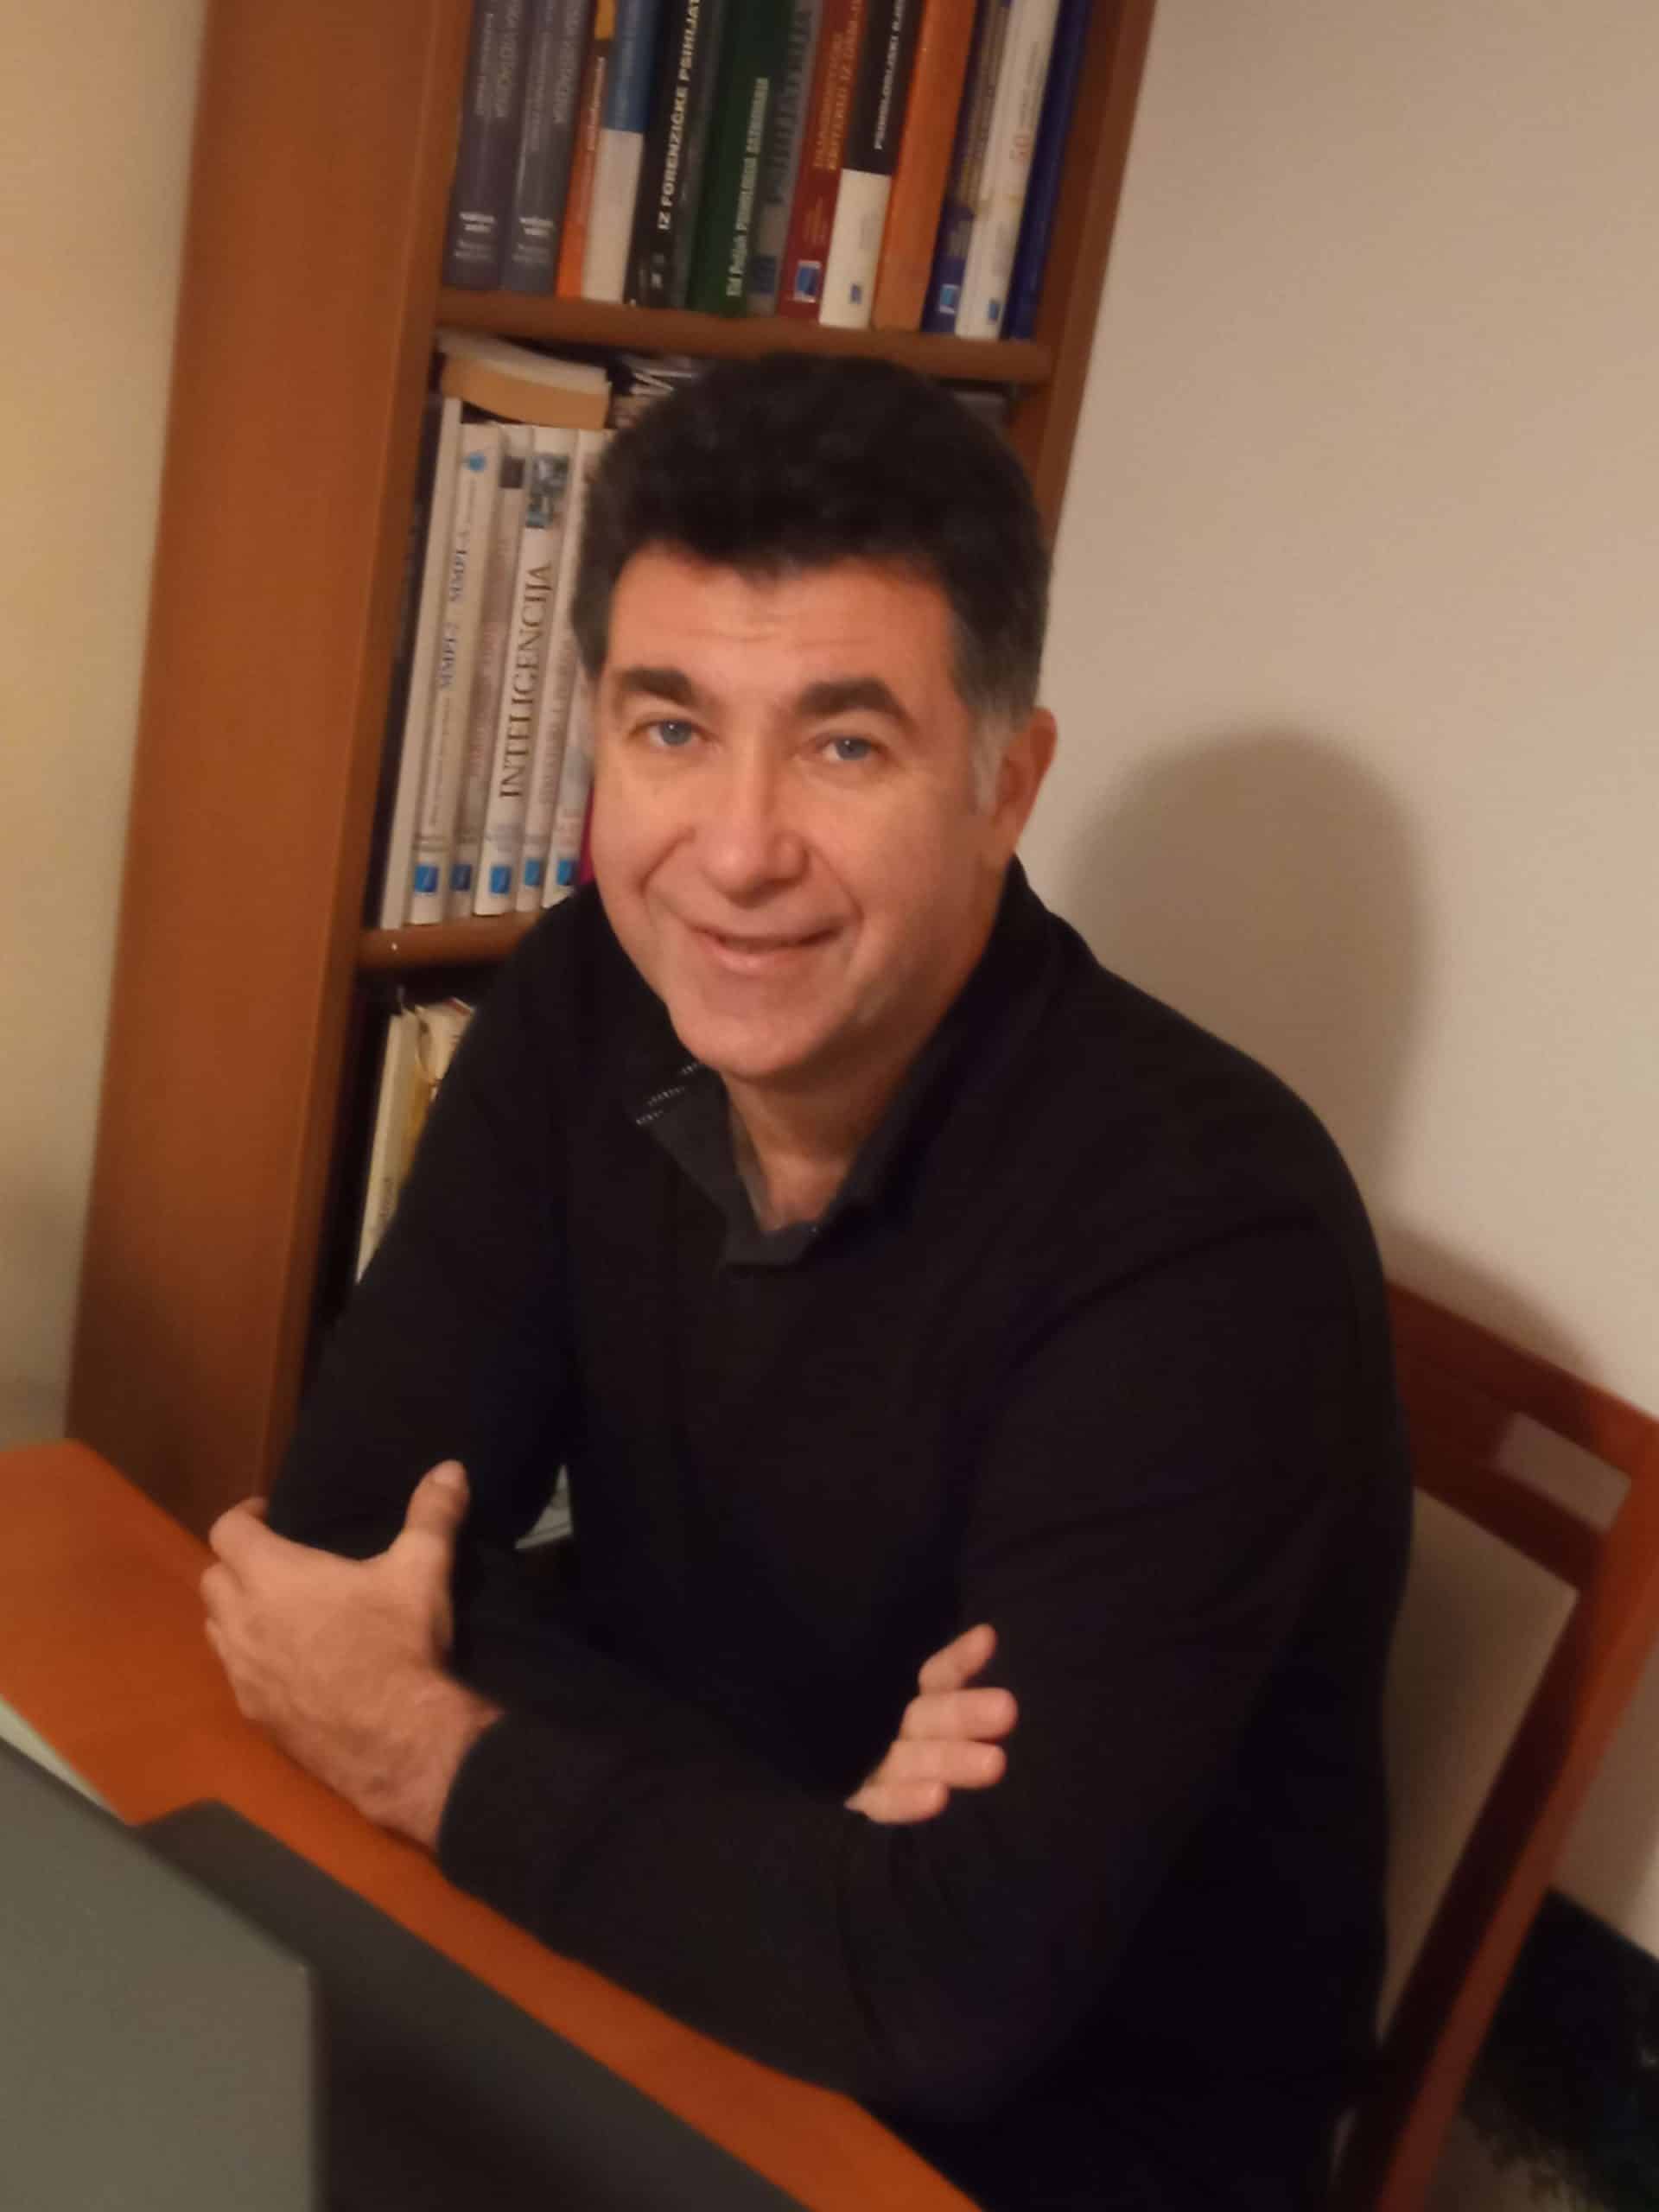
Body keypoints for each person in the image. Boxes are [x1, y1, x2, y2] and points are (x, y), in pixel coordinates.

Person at [200, 354, 1411, 2210]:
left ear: (1005, 785)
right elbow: (350, 1529)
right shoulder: (594, 1000)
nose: (737, 850)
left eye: (846, 742)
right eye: (672, 728)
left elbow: (944, 1989)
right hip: (671, 1970)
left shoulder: (1206, 1242)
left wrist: (431, 1734)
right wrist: (807, 1857)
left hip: (1039, 2141)